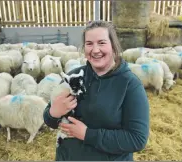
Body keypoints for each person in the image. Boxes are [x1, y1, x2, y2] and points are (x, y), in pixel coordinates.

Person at [43, 20, 149, 161]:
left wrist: (88, 134)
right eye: (89, 44)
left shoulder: (130, 84)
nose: (95, 50)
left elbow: (137, 139)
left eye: (102, 43)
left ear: (113, 46)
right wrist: (53, 113)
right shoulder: (73, 76)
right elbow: (50, 120)